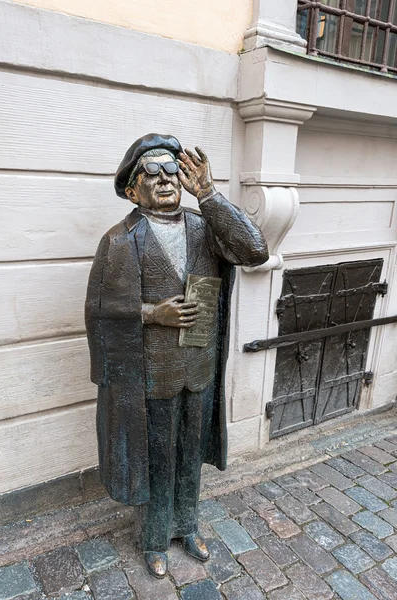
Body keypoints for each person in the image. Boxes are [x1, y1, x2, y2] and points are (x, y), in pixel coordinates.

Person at [85, 133, 268, 578]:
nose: (166, 179)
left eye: (172, 170)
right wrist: (151, 313)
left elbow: (255, 250)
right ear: (132, 189)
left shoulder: (206, 226)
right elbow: (98, 310)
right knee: (157, 457)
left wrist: (208, 194)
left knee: (189, 454)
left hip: (198, 367)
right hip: (151, 375)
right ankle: (152, 539)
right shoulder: (120, 240)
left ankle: (186, 526)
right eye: (152, 172)